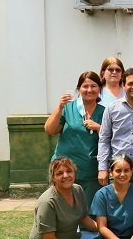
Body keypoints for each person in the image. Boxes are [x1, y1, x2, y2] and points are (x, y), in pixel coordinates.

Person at [20, 157, 100, 239]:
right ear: (52, 177)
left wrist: (103, 230)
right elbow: (49, 238)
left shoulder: (78, 190)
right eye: (59, 173)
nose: (65, 176)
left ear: (74, 172)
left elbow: (82, 217)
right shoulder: (47, 202)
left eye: (69, 171)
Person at [44, 71, 105, 207]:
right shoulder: (68, 108)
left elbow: (111, 138)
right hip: (64, 170)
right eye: (85, 86)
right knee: (61, 208)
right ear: (78, 89)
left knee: (88, 210)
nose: (89, 90)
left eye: (93, 86)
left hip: (90, 172)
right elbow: (50, 130)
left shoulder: (105, 112)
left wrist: (99, 128)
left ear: (100, 89)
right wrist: (60, 107)